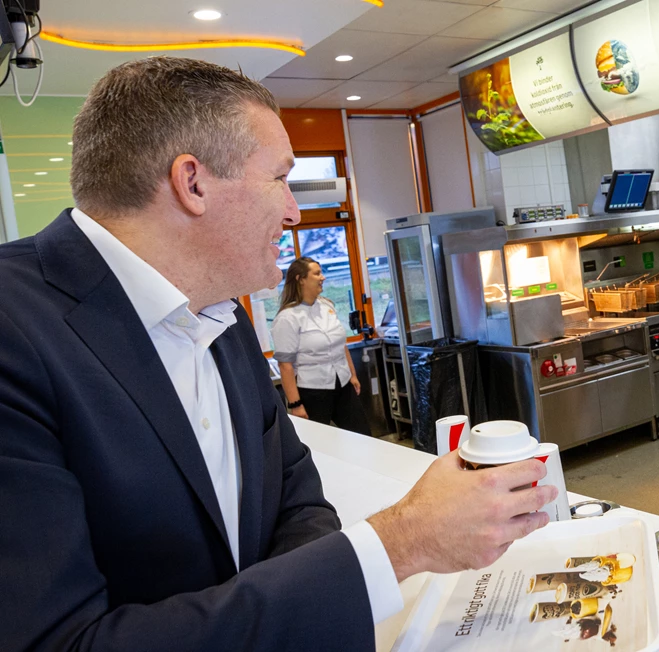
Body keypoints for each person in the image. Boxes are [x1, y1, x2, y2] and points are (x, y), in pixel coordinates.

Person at [0, 57, 555, 651]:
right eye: (280, 178)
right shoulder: (16, 331)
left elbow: (293, 491)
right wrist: (403, 542)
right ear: (193, 183)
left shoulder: (221, 311)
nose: (293, 211)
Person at [272, 256, 370, 435]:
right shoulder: (287, 318)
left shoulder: (327, 306)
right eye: (317, 274)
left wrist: (352, 375)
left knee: (363, 435)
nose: (322, 277)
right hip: (313, 391)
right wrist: (296, 404)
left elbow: (340, 345)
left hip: (342, 383)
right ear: (301, 279)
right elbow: (285, 366)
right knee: (319, 443)